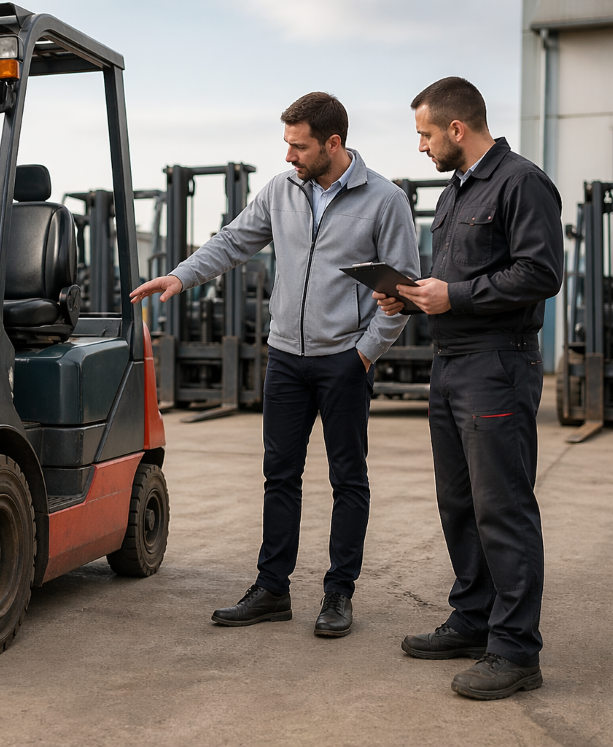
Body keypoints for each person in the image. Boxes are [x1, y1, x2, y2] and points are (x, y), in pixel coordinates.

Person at [130, 92, 419, 637]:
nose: (289, 155)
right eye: (286, 144)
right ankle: (272, 588)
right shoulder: (281, 190)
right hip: (286, 357)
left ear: (333, 143)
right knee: (279, 475)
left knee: (347, 479)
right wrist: (181, 276)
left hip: (343, 360)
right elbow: (235, 241)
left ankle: (338, 594)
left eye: (299, 145)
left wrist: (365, 353)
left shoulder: (385, 200)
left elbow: (400, 289)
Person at [374, 77, 563, 699]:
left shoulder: (521, 182)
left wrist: (454, 296)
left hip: (495, 364)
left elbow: (539, 272)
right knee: (458, 502)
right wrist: (410, 292)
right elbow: (452, 274)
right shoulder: (455, 192)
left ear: (457, 129)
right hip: (450, 360)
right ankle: (475, 618)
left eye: (426, 134)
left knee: (501, 506)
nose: (422, 146)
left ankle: (515, 651)